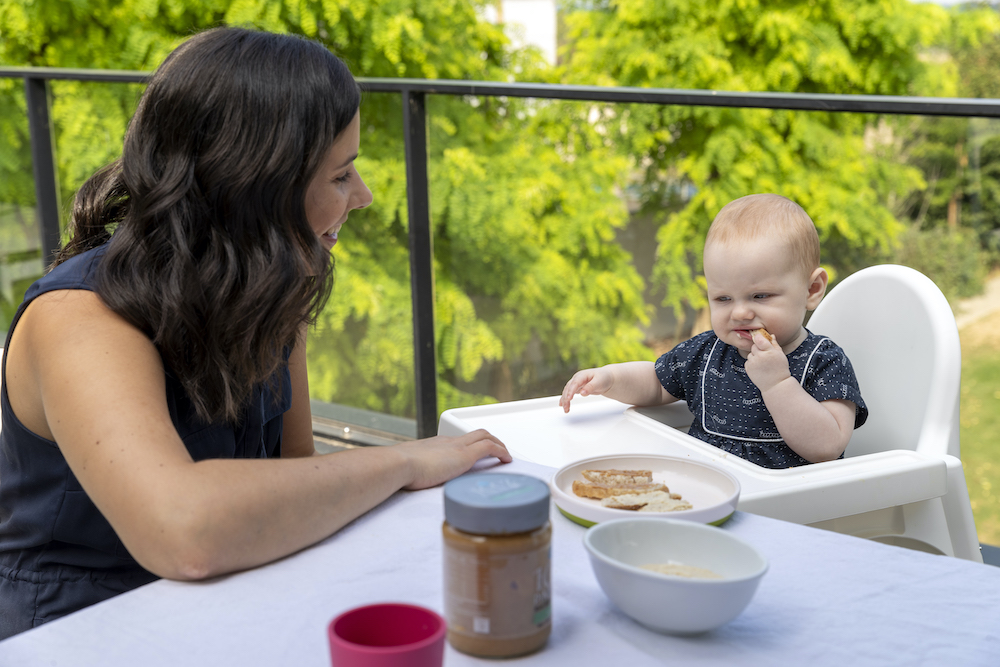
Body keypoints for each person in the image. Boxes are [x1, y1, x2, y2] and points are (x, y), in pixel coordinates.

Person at [0, 27, 510, 638]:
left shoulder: (271, 290)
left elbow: (295, 475)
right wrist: (401, 460)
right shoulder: (78, 318)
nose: (365, 196)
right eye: (342, 175)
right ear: (255, 187)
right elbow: (183, 530)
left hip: (227, 608)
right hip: (77, 633)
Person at [560, 194, 868, 468]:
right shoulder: (707, 352)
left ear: (812, 289)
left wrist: (777, 383)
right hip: (709, 489)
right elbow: (656, 383)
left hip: (791, 509)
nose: (739, 312)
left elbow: (828, 447)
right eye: (723, 298)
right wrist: (610, 379)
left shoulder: (825, 361)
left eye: (760, 296)